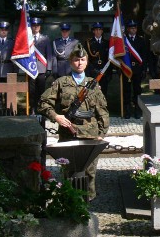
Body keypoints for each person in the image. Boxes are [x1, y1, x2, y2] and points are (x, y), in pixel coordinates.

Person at [38, 43, 109, 201]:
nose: (79, 63)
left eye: (83, 60)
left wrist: (101, 133)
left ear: (87, 62)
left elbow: (102, 111)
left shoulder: (93, 84)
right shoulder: (61, 83)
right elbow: (43, 104)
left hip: (91, 136)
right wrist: (56, 116)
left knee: (90, 173)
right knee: (69, 172)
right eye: (76, 60)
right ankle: (70, 204)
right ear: (71, 62)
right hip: (68, 134)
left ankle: (88, 206)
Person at [123, 20, 149, 119]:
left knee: (137, 90)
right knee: (127, 91)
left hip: (137, 69)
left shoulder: (141, 40)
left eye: (134, 28)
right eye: (131, 28)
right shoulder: (124, 41)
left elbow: (144, 56)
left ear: (136, 29)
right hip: (127, 68)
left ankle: (137, 110)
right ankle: (127, 110)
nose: (133, 30)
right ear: (128, 29)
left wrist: (144, 69)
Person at [29, 17, 53, 115]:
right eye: (34, 26)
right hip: (31, 68)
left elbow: (49, 54)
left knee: (41, 90)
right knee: (31, 90)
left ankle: (40, 108)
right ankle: (32, 108)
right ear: (31, 27)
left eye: (37, 26)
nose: (36, 28)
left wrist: (49, 68)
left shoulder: (45, 38)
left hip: (42, 67)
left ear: (40, 27)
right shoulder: (28, 39)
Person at [85, 22, 110, 97]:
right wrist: (89, 71)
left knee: (104, 91)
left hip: (104, 71)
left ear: (102, 31)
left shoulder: (107, 43)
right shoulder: (88, 43)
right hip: (93, 70)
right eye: (96, 30)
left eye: (100, 29)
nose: (98, 31)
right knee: (92, 91)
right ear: (93, 31)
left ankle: (103, 106)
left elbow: (109, 58)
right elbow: (86, 58)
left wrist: (108, 72)